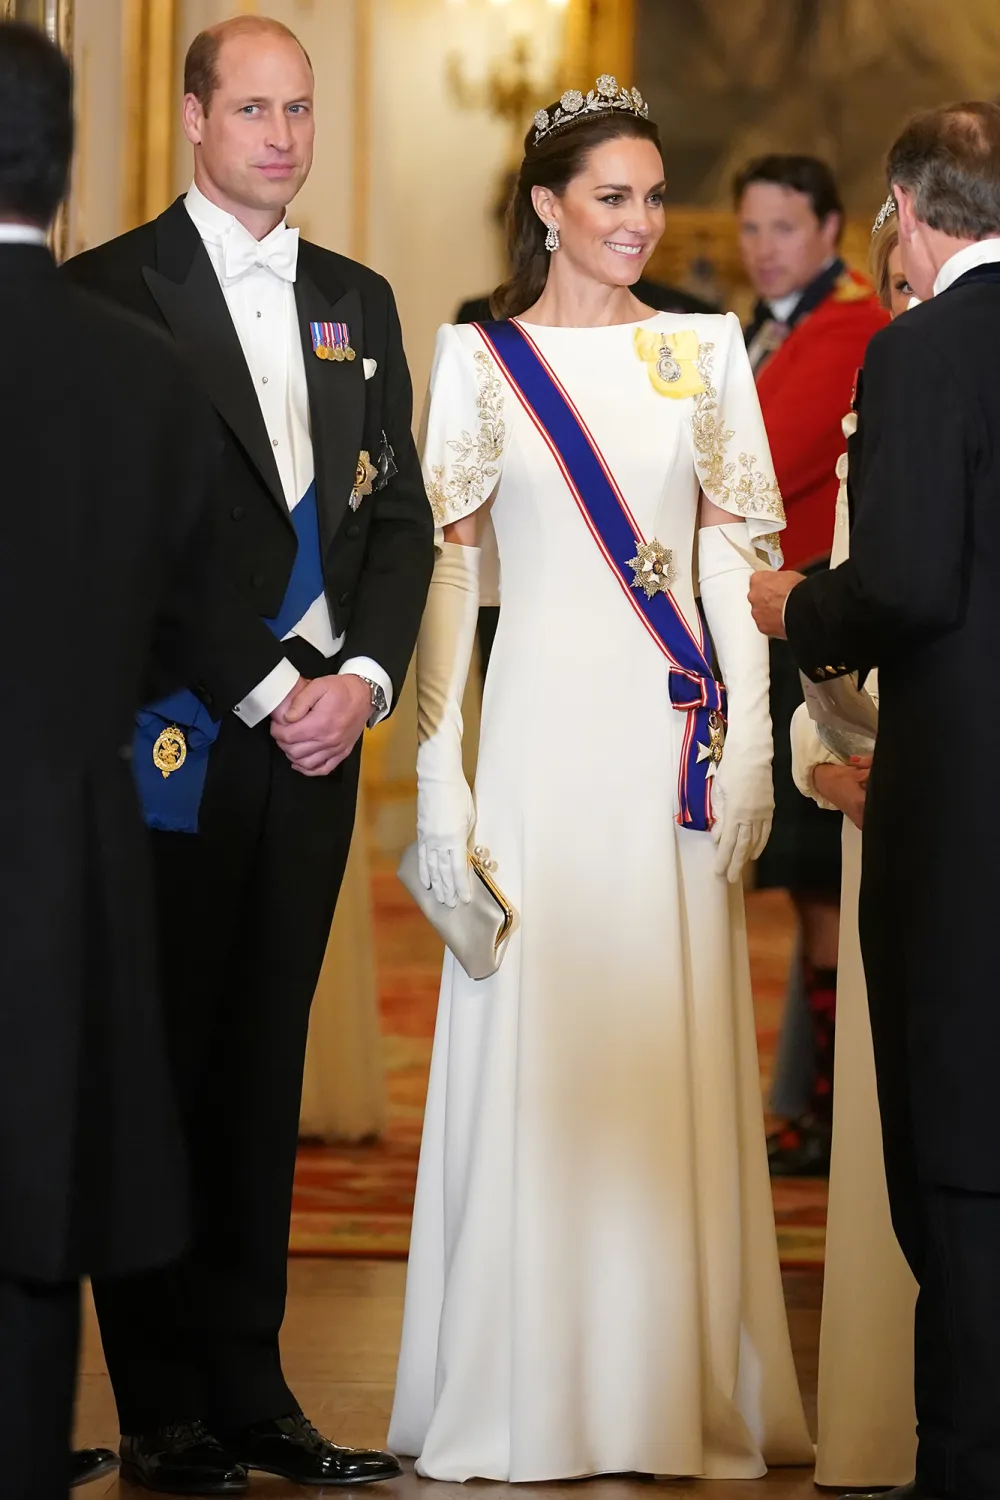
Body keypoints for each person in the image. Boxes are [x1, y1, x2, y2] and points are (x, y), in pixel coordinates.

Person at [388, 78, 812, 1482]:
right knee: (542, 1046)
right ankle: (519, 1395)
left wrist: (746, 740)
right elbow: (453, 576)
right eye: (612, 197)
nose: (640, 221)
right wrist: (438, 782)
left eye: (650, 194)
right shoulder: (480, 361)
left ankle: (657, 1395)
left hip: (662, 759)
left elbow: (737, 565)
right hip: (532, 747)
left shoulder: (702, 352)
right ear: (549, 209)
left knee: (656, 1050)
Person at [65, 16, 433, 1493]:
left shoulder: (356, 296)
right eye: (255, 109)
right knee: (156, 1067)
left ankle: (253, 1387)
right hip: (177, 740)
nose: (282, 136)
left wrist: (360, 677)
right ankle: (158, 1401)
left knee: (261, 1071)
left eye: (302, 110)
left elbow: (393, 518)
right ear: (196, 120)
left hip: (320, 746)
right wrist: (271, 678)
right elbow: (125, 548)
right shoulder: (111, 295)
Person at [750, 100, 1000, 1500]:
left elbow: (907, 586)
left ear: (903, 213)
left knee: (954, 1170)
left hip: (961, 817)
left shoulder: (917, 353)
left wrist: (801, 603)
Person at [0, 20, 227, 1497]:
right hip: (70, 861)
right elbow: (187, 640)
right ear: (68, 162)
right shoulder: (146, 377)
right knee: (33, 1204)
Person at [788, 200, 917, 1490]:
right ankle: (885, 1426)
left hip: (937, 798)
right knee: (900, 1150)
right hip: (880, 801)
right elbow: (838, 640)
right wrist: (822, 761)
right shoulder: (869, 419)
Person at [735, 154, 888, 1176]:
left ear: (832, 229)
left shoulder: (847, 325)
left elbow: (752, 453)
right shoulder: (762, 327)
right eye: (749, 229)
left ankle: (830, 1113)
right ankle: (810, 1099)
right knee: (807, 892)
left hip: (813, 628)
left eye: (782, 227)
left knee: (825, 885)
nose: (761, 248)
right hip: (772, 626)